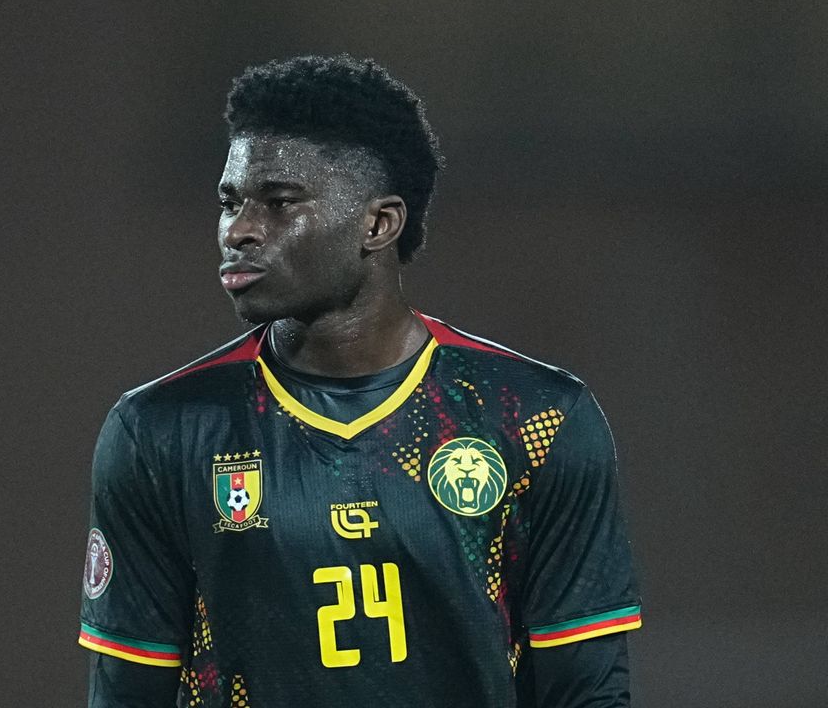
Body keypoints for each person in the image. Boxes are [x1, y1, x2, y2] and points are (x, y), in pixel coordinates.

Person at [78, 54, 641, 707]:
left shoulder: (535, 419)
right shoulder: (161, 432)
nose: (240, 230)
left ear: (378, 224)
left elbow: (588, 691)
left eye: (279, 203)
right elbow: (125, 696)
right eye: (230, 201)